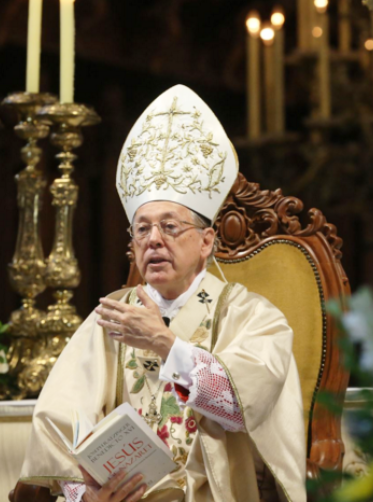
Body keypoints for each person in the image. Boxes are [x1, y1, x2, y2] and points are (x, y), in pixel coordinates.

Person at [18, 85, 306, 502]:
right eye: (142, 229)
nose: (154, 239)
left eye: (170, 226)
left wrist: (166, 344)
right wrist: (85, 495)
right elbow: (58, 420)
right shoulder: (111, 316)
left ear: (206, 241)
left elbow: (244, 408)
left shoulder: (251, 315)